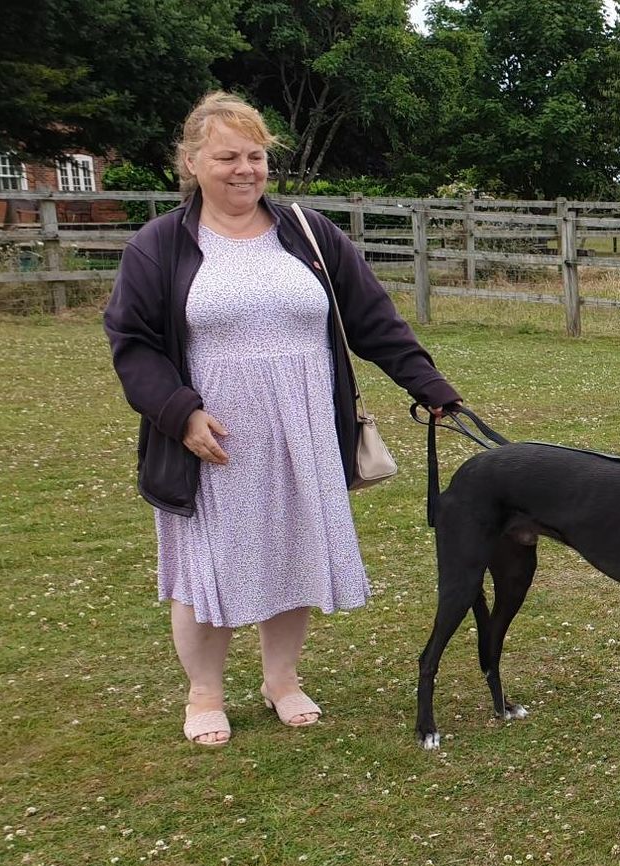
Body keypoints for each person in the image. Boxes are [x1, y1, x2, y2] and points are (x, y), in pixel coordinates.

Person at [103, 92, 463, 747]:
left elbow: (372, 318)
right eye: (227, 157)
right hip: (213, 438)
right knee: (208, 568)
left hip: (304, 427)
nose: (244, 169)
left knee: (293, 552)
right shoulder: (161, 245)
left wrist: (429, 385)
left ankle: (282, 679)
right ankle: (205, 693)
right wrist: (181, 414)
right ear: (191, 162)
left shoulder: (308, 232)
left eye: (255, 155)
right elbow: (134, 343)